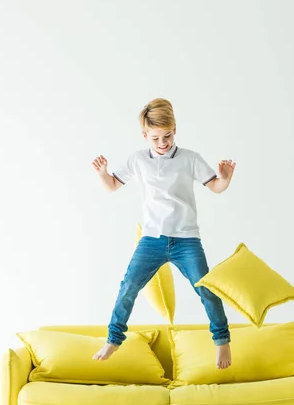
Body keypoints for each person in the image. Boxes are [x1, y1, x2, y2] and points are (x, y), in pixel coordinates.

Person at [91, 98, 236, 369]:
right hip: (152, 239)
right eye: (156, 137)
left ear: (175, 130)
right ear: (145, 135)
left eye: (167, 136)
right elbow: (112, 185)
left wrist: (225, 178)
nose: (162, 143)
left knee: (206, 289)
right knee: (128, 286)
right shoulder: (137, 160)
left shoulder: (189, 159)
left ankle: (222, 340)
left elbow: (215, 186)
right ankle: (113, 339)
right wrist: (101, 173)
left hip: (186, 239)